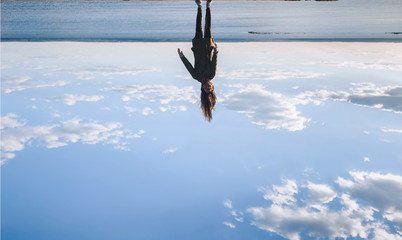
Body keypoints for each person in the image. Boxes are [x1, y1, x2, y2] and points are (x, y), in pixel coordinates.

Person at [178, 0, 218, 122]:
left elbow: (189, 66)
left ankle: (199, 6)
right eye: (211, 88)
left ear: (202, 89)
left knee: (198, 26)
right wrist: (216, 51)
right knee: (208, 26)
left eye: (207, 89)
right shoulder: (211, 75)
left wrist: (182, 56)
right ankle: (208, 6)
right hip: (207, 45)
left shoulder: (196, 76)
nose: (209, 87)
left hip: (197, 46)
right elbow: (214, 62)